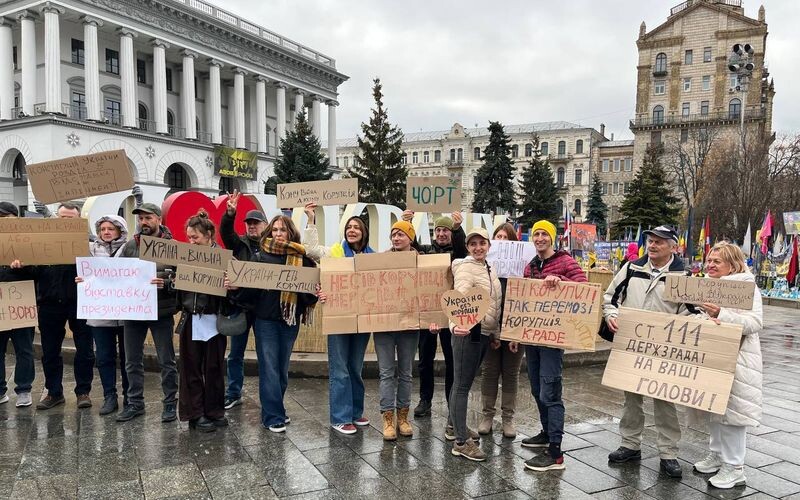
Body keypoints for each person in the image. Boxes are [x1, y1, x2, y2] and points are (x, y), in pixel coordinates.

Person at [604, 225, 694, 478]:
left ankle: (668, 453)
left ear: (673, 247)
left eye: (659, 242)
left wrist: (678, 329)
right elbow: (611, 298)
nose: (652, 245)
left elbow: (692, 312)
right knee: (631, 398)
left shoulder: (684, 276)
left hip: (664, 351)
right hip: (632, 346)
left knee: (665, 401)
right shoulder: (632, 268)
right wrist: (611, 316)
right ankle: (630, 444)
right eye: (650, 241)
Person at [228, 215, 318, 433]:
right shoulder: (259, 258)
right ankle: (272, 416)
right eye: (275, 230)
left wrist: (314, 291)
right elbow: (248, 292)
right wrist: (236, 287)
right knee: (269, 368)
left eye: (283, 230)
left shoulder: (302, 259)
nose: (278, 234)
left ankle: (277, 408)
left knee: (282, 369)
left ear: (290, 233)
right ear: (269, 232)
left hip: (289, 322)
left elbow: (308, 296)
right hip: (265, 322)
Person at [511, 219, 587, 472]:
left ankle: (555, 452)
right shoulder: (531, 266)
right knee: (536, 388)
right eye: (537, 234)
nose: (540, 238)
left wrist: (561, 281)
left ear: (552, 238)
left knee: (550, 392)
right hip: (534, 337)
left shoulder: (565, 261)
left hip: (553, 340)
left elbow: (585, 288)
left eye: (545, 234)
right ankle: (546, 432)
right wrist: (516, 334)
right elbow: (524, 302)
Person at [692, 242, 763, 489]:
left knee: (733, 414)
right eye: (709, 260)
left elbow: (754, 323)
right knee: (713, 407)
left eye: (717, 261)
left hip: (738, 360)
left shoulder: (747, 287)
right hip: (713, 356)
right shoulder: (708, 284)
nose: (710, 265)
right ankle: (717, 454)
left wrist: (721, 314)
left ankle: (735, 467)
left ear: (732, 265)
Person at [305, 204, 374, 435]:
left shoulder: (373, 257)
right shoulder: (334, 251)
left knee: (355, 367)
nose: (352, 230)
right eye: (349, 227)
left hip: (361, 321)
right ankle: (340, 417)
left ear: (364, 232)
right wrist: (311, 221)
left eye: (356, 227)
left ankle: (355, 412)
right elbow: (311, 250)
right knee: (340, 368)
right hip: (338, 318)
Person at [22, 203, 95, 410]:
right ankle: (54, 392)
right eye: (62, 218)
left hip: (80, 303)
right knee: (50, 351)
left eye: (70, 219)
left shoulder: (88, 243)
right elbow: (34, 272)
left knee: (85, 350)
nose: (65, 222)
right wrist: (22, 266)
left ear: (79, 221)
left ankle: (83, 391)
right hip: (50, 303)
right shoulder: (42, 243)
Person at [438, 227, 502, 461]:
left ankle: (454, 426)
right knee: (462, 385)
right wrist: (455, 324)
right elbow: (460, 296)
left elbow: (494, 302)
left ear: (488, 245)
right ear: (467, 247)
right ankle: (461, 442)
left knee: (462, 382)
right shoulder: (466, 267)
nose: (478, 247)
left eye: (482, 243)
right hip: (468, 332)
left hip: (482, 332)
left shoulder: (489, 268)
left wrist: (495, 332)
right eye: (473, 244)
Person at [116, 203, 179, 423]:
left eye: (148, 218)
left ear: (159, 219)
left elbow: (184, 277)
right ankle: (135, 403)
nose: (144, 222)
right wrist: (89, 281)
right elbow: (115, 275)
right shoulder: (130, 246)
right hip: (134, 311)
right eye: (141, 218)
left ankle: (170, 403)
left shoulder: (172, 246)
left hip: (161, 311)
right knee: (132, 361)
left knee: (166, 360)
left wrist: (167, 283)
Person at [406, 212, 467, 421]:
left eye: (445, 230)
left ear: (451, 233)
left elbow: (462, 249)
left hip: (450, 315)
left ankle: (452, 401)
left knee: (452, 361)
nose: (441, 234)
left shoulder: (458, 254)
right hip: (428, 314)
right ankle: (425, 400)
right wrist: (408, 222)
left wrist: (458, 228)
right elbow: (411, 246)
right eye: (438, 230)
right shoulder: (425, 251)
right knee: (425, 360)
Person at [176, 211, 228, 432]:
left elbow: (237, 288)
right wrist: (167, 282)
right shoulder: (185, 256)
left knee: (214, 367)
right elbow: (177, 284)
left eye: (195, 237)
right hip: (191, 317)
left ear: (208, 235)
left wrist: (232, 285)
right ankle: (195, 414)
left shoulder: (224, 259)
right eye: (189, 237)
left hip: (214, 319)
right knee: (191, 368)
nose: (191, 241)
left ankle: (214, 410)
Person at [75, 215, 130, 415]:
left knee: (128, 358)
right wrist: (82, 279)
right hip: (100, 314)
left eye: (111, 229)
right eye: (103, 229)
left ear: (120, 231)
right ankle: (109, 396)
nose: (106, 232)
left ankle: (130, 396)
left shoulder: (130, 249)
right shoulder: (89, 250)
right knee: (105, 357)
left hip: (126, 313)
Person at [219, 190, 268, 410]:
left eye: (256, 223)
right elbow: (225, 232)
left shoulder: (272, 247)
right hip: (240, 307)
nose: (252, 226)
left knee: (265, 356)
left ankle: (267, 398)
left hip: (263, 309)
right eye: (249, 223)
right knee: (235, 354)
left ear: (265, 225)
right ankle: (233, 393)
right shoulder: (239, 244)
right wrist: (230, 214)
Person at [375, 221, 420, 441]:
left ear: (410, 238)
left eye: (401, 234)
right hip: (384, 326)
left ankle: (403, 417)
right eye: (393, 234)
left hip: (409, 326)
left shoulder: (421, 263)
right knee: (386, 373)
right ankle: (387, 419)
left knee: (406, 373)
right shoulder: (380, 261)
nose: (396, 238)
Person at [479, 222, 524, 439]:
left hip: (515, 331)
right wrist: (493, 331)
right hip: (490, 330)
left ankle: (508, 418)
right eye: (498, 237)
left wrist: (516, 333)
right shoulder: (484, 269)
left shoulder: (522, 270)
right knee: (489, 372)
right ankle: (487, 416)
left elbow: (525, 302)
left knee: (511, 373)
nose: (502, 241)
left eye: (506, 238)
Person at [0, 202, 35, 408]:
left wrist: (22, 268)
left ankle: (24, 389)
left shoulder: (28, 242)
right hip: (2, 304)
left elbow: (38, 272)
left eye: (6, 217)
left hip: (22, 303)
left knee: (24, 349)